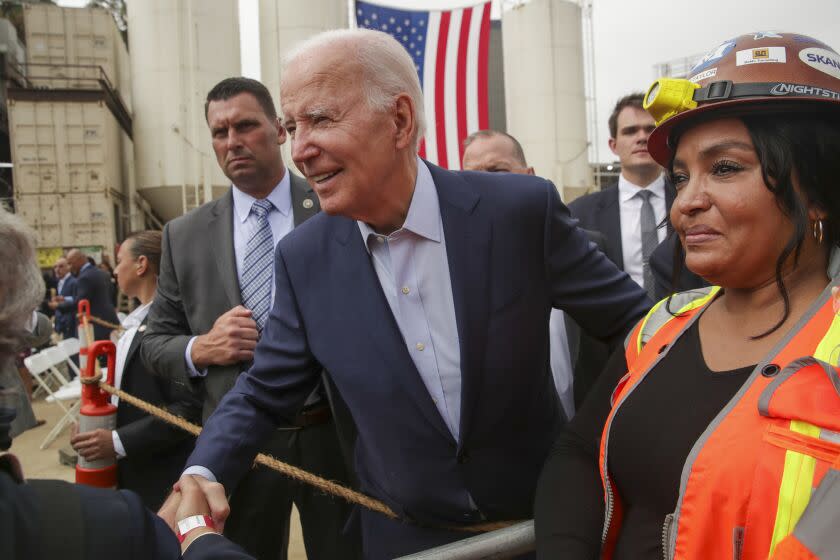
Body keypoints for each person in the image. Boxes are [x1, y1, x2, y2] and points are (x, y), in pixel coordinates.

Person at [162, 29, 651, 560]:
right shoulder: (305, 258)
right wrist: (202, 470)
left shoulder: (518, 213)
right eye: (293, 125)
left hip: (545, 531)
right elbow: (261, 393)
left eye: (321, 119)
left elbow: (635, 326)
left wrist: (605, 447)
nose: (300, 149)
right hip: (405, 542)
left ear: (399, 120)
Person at [535, 32, 840, 560]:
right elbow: (579, 451)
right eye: (680, 177)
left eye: (724, 169)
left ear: (817, 193)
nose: (685, 205)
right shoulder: (661, 327)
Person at [141, 77, 356, 560]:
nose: (232, 141)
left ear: (280, 130)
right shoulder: (184, 235)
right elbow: (154, 342)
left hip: (334, 434)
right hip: (239, 444)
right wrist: (202, 348)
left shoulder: (335, 208)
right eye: (219, 132)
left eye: (245, 125)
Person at [461, 129, 610, 416]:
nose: (486, 184)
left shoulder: (589, 246)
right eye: (474, 175)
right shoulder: (457, 265)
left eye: (497, 170)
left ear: (529, 175)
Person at [70, 231, 202, 510]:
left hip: (161, 476)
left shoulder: (171, 325)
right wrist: (93, 429)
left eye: (120, 261)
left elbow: (188, 409)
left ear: (141, 264)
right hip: (136, 470)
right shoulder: (137, 323)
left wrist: (118, 441)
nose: (115, 270)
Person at [568, 93, 704, 301]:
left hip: (688, 323)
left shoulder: (696, 202)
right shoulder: (580, 214)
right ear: (613, 145)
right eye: (630, 131)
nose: (641, 137)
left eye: (650, 129)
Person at [62, 248, 119, 342]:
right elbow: (111, 295)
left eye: (70, 263)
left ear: (79, 260)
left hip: (95, 328)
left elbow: (80, 303)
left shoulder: (84, 277)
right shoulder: (102, 273)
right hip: (110, 322)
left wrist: (58, 306)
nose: (69, 267)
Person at [49, 256, 78, 340]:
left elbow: (76, 300)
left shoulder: (74, 282)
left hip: (70, 324)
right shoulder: (59, 282)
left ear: (68, 267)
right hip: (61, 323)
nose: (57, 269)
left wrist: (59, 304)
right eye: (55, 267)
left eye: (61, 266)